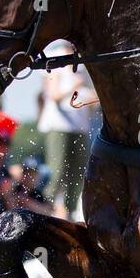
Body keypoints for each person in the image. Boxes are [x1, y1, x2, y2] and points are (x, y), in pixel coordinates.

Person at [38, 41, 96, 214]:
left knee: (78, 173)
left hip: (79, 126)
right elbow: (54, 95)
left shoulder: (83, 65)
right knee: (57, 171)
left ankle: (70, 212)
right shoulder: (56, 60)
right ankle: (46, 207)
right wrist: (75, 86)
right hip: (59, 125)